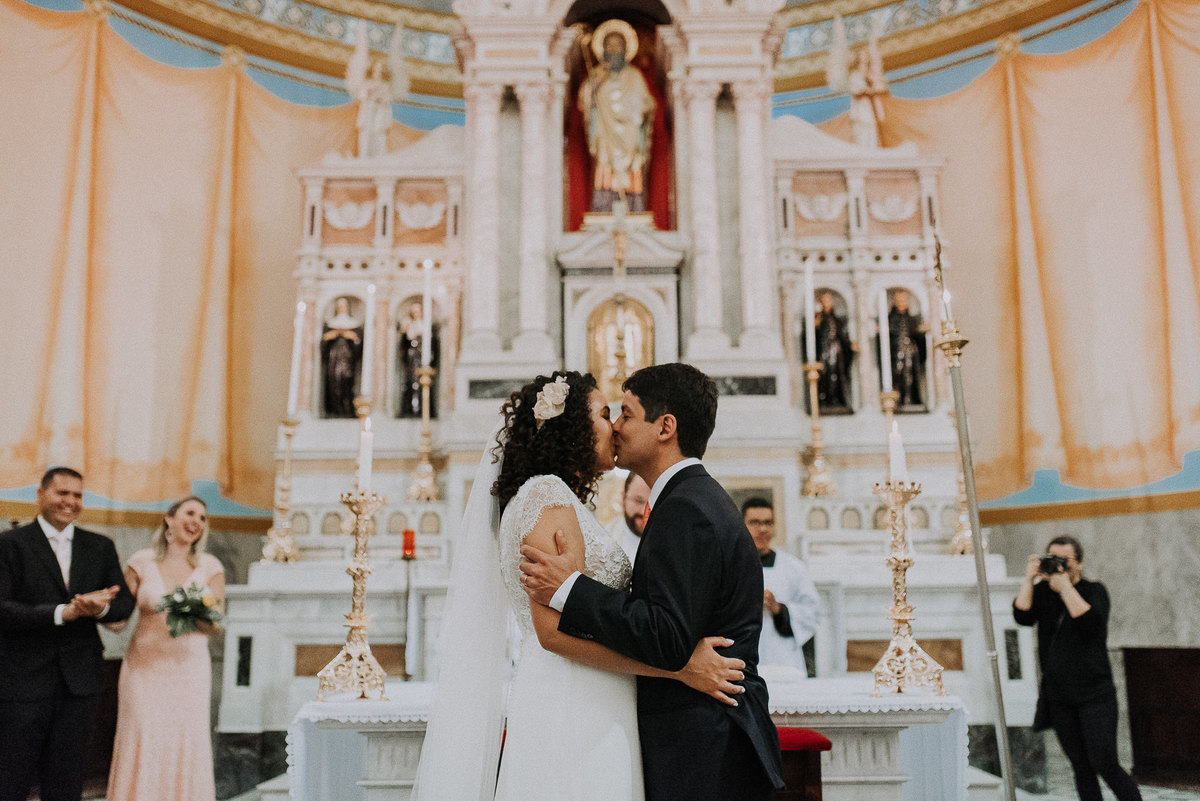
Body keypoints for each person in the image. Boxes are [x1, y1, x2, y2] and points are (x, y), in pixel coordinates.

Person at [411, 370, 745, 801]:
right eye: (606, 414)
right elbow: (553, 634)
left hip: (595, 692)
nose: (615, 426)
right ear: (571, 428)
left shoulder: (557, 498)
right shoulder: (546, 496)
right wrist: (679, 669)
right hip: (574, 699)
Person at [521, 363, 785, 801]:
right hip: (702, 740)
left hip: (704, 746)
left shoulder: (688, 508)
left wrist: (569, 588)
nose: (616, 428)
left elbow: (666, 634)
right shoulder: (690, 499)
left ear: (665, 427)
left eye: (625, 413)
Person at [0, 467, 135, 801]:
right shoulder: (10, 544)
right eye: (62, 493)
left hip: (80, 682)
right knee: (11, 777)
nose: (70, 502)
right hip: (22, 679)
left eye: (77, 495)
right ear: (41, 495)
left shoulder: (99, 546)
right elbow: (2, 608)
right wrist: (65, 612)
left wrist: (98, 609)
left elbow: (123, 605)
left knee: (67, 780)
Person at [106, 496, 225, 801]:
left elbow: (216, 624)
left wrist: (192, 612)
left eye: (202, 517)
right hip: (143, 670)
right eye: (189, 513)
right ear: (169, 518)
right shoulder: (142, 561)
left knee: (184, 741)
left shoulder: (210, 567)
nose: (196, 521)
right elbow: (119, 619)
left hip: (189, 673)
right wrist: (96, 610)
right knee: (142, 737)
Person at [1013, 536, 1142, 801]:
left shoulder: (1094, 590)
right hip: (1059, 696)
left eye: (1064, 560)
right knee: (1081, 768)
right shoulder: (1042, 593)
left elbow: (1091, 625)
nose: (1058, 565)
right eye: (1052, 558)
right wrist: (1029, 580)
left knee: (1105, 762)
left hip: (1095, 694)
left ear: (1079, 562)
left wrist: (1065, 589)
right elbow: (1021, 615)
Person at [579, 19, 656, 213]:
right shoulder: (596, 76)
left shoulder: (634, 76)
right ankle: (604, 207)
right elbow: (584, 102)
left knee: (633, 164)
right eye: (609, 46)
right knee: (604, 163)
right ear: (602, 50)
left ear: (625, 51)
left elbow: (648, 104)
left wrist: (640, 111)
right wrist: (596, 83)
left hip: (630, 135)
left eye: (618, 46)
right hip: (605, 134)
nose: (614, 50)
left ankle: (633, 206)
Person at [742, 498, 822, 678]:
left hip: (783, 659)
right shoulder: (730, 566)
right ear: (742, 525)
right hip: (743, 658)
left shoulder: (792, 567)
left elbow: (813, 611)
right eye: (754, 522)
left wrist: (778, 608)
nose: (762, 529)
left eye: (768, 523)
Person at [321, 296, 363, 418]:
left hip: (347, 358)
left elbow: (358, 343)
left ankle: (346, 409)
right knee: (333, 381)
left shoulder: (353, 324)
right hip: (333, 357)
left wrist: (353, 338)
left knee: (346, 380)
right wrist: (329, 337)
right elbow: (324, 343)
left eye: (343, 306)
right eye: (339, 307)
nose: (341, 309)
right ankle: (333, 409)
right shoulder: (330, 324)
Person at [814, 291, 855, 412]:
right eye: (824, 301)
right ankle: (825, 400)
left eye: (828, 301)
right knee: (825, 374)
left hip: (836, 351)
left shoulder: (837, 320)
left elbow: (842, 336)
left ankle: (837, 399)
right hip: (824, 351)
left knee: (836, 375)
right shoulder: (817, 319)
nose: (827, 303)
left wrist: (850, 346)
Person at [888, 290, 928, 409]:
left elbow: (917, 335)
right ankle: (899, 398)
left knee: (910, 374)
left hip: (910, 351)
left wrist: (922, 331)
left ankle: (911, 398)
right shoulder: (890, 319)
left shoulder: (912, 319)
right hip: (896, 351)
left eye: (903, 300)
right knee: (898, 373)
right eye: (899, 300)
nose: (901, 302)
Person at [608, 471, 650, 562]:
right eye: (638, 501)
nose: (644, 512)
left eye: (652, 504)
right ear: (623, 497)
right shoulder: (605, 539)